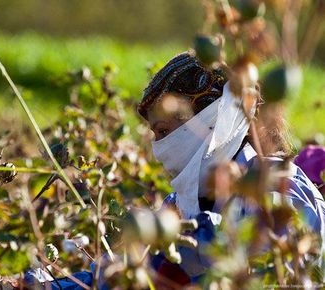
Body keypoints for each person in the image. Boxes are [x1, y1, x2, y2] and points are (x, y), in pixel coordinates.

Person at [24, 51, 325, 289]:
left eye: (165, 131)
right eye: (155, 135)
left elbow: (287, 259)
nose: (159, 149)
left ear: (210, 119)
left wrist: (181, 242)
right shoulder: (180, 205)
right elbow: (119, 274)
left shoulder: (278, 182)